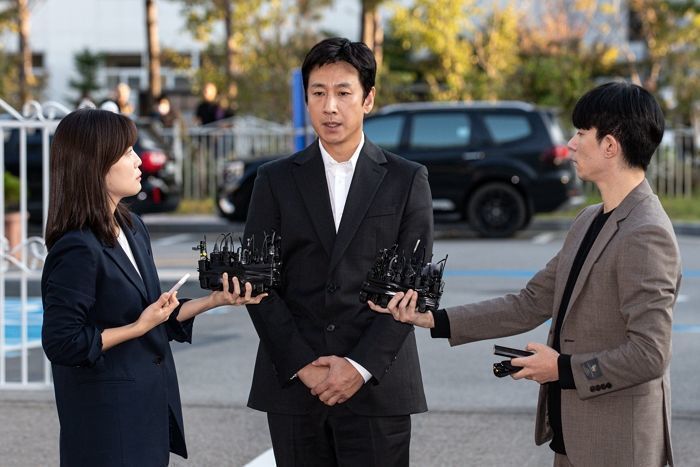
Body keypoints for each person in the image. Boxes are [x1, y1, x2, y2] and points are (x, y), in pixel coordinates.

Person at [370, 82, 682, 467]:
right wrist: (434, 319)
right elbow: (530, 303)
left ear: (610, 146)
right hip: (573, 436)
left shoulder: (645, 232)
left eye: (581, 133)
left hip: (618, 443)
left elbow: (650, 354)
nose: (570, 144)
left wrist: (561, 369)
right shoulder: (588, 220)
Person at [243, 37, 434, 466]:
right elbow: (257, 282)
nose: (330, 106)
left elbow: (412, 285)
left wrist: (359, 366)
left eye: (343, 93)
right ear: (307, 99)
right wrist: (304, 365)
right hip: (295, 385)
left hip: (376, 385)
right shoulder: (273, 180)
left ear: (367, 99)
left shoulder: (406, 179)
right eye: (318, 93)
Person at [40, 108, 265, 466]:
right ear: (95, 164)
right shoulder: (77, 247)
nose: (138, 160)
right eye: (127, 152)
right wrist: (137, 327)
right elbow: (62, 342)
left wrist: (213, 301)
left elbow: (157, 311)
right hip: (105, 424)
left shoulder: (131, 227)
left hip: (147, 410)